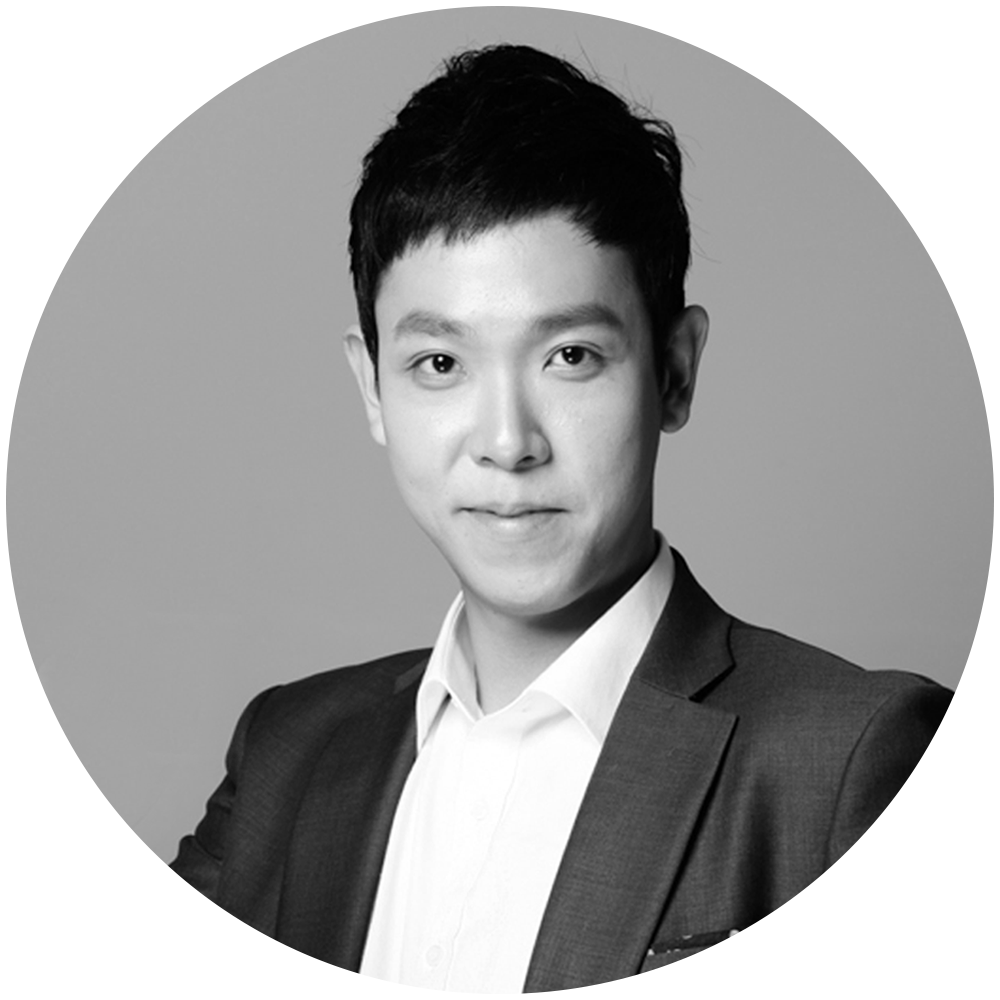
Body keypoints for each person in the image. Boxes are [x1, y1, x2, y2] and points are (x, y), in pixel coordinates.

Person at [6, 44, 991, 993]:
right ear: (372, 388)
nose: (508, 441)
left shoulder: (853, 762)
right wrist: (33, 904)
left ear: (675, 370)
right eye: (440, 364)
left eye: (571, 357)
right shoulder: (290, 754)